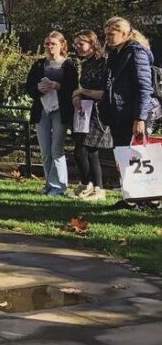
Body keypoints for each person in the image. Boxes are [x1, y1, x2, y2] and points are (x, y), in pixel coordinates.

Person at [99, 17, 159, 208]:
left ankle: (146, 199)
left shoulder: (136, 52)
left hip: (133, 113)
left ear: (124, 33)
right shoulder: (117, 53)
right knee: (124, 156)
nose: (108, 38)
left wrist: (140, 117)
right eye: (106, 34)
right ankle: (131, 198)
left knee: (138, 156)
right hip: (119, 113)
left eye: (112, 33)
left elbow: (144, 87)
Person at [25, 31, 78, 196]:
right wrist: (38, 89)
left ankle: (59, 186)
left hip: (60, 111)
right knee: (45, 151)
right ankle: (49, 184)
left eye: (53, 43)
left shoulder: (69, 65)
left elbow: (73, 88)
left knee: (57, 149)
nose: (49, 46)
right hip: (42, 110)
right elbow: (29, 88)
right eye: (47, 43)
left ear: (62, 45)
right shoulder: (39, 65)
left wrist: (58, 86)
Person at [70, 31, 111, 202]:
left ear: (92, 42)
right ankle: (91, 185)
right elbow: (83, 88)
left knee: (83, 150)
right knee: (88, 152)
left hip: (99, 112)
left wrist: (82, 92)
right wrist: (77, 96)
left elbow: (106, 92)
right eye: (75, 44)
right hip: (85, 110)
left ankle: (95, 186)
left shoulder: (104, 62)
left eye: (81, 43)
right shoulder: (86, 63)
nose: (77, 47)